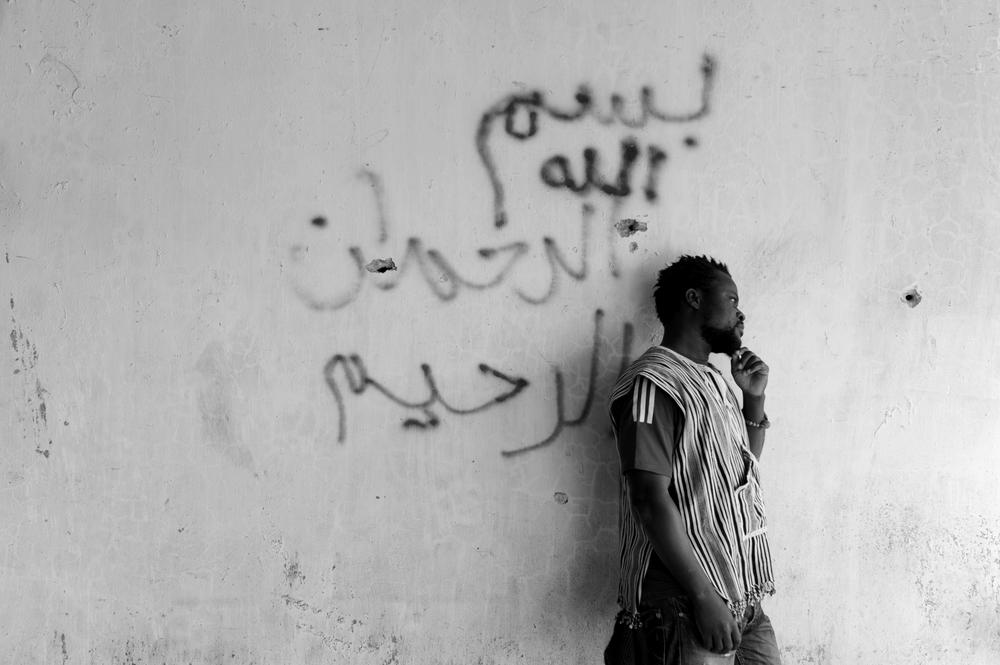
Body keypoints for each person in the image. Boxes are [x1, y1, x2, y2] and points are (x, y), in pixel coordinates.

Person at [605, 255, 781, 665]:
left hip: (740, 593)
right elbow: (648, 499)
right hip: (685, 604)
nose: (741, 313)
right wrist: (703, 597)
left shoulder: (714, 379)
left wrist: (753, 398)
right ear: (693, 299)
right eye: (732, 300)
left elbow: (741, 470)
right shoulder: (654, 383)